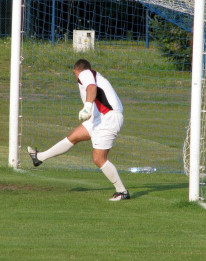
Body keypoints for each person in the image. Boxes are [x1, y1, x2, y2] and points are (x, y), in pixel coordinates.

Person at [27, 59, 130, 201]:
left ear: (75, 71)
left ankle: (121, 191)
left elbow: (91, 88)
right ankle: (39, 157)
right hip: (99, 118)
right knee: (73, 136)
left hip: (108, 118)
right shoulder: (94, 75)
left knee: (98, 158)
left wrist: (87, 107)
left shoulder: (85, 73)